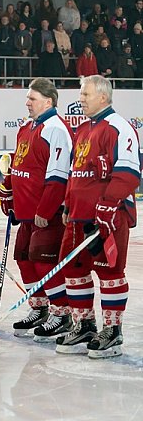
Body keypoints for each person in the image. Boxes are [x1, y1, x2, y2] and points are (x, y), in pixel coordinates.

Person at [54, 75, 140, 358]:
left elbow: (129, 172)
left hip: (108, 217)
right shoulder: (81, 129)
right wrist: (68, 205)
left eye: (85, 94)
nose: (81, 99)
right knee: (74, 270)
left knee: (110, 272)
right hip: (78, 217)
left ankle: (113, 331)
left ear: (103, 97)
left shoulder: (119, 128)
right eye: (81, 94)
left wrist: (109, 202)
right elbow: (74, 173)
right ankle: (85, 325)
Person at [0, 78, 73, 341]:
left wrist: (46, 209)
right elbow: (17, 164)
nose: (27, 102)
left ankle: (62, 313)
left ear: (49, 101)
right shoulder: (26, 127)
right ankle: (39, 307)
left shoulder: (56, 129)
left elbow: (58, 177)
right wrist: (8, 191)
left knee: (44, 263)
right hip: (25, 211)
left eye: (32, 98)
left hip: (47, 214)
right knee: (24, 259)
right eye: (28, 98)